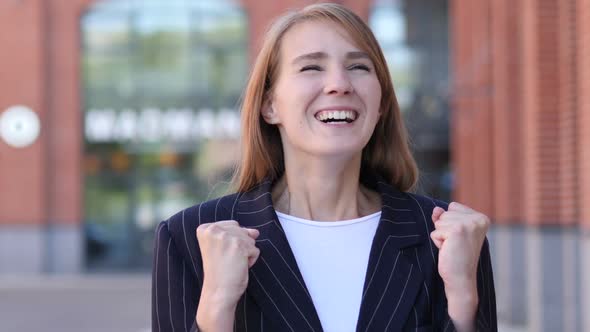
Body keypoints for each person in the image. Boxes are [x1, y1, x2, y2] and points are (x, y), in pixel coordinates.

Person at [152, 3, 497, 332]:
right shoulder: (189, 238)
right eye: (311, 67)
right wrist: (216, 307)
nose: (340, 84)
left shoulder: (444, 237)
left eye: (359, 67)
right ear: (270, 105)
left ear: (380, 105)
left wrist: (464, 301)